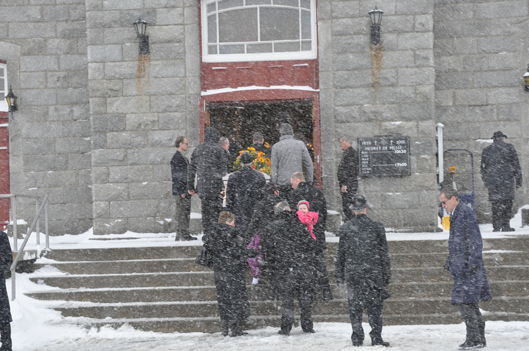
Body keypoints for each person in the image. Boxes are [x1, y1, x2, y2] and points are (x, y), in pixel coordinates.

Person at [335, 195, 391, 347]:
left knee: (355, 307)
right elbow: (383, 253)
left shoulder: (346, 228)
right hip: (373, 272)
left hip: (354, 272)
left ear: (353, 211)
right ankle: (376, 337)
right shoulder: (377, 227)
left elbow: (341, 254)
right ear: (366, 209)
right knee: (375, 307)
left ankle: (357, 337)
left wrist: (339, 274)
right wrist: (386, 274)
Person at [439, 187, 492, 349]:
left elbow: (474, 239)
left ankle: (474, 339)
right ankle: (478, 339)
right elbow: (457, 242)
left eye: (444, 202)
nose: (443, 206)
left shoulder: (464, 213)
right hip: (463, 266)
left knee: (466, 303)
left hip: (467, 269)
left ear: (454, 199)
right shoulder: (458, 214)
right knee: (470, 304)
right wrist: (450, 260)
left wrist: (473, 263)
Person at [261, 201, 317, 335]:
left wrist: (274, 264)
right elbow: (311, 244)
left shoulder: (270, 228)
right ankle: (307, 325)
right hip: (302, 266)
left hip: (283, 268)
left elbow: (267, 251)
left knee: (287, 299)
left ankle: (286, 327)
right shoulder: (299, 225)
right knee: (304, 298)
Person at [203, 211, 250, 337]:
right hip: (234, 271)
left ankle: (225, 327)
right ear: (228, 222)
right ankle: (235, 327)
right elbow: (239, 252)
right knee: (235, 298)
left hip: (220, 271)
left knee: (223, 299)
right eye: (233, 222)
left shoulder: (212, 235)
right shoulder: (233, 235)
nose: (234, 225)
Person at [289, 172, 333, 301]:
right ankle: (326, 292)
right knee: (320, 264)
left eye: (292, 183)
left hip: (301, 236)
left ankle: (309, 293)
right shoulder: (317, 192)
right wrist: (318, 228)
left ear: (297, 180)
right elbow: (323, 213)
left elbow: (293, 216)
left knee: (304, 266)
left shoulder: (294, 194)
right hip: (316, 233)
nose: (292, 186)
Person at [187, 127, 228, 239]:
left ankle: (207, 233)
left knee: (206, 211)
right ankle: (218, 234)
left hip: (203, 187)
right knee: (218, 211)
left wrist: (191, 186)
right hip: (217, 186)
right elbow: (224, 171)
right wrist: (225, 186)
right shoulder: (220, 150)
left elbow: (191, 169)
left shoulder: (198, 150)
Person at [245, 182, 282, 300]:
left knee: (265, 265)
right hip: (280, 238)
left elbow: (254, 222)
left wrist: (246, 237)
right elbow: (288, 219)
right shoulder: (282, 203)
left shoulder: (261, 204)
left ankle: (259, 292)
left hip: (265, 238)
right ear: (276, 192)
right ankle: (278, 292)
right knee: (278, 265)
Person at [480, 131, 522, 232]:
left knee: (496, 204)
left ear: (493, 139)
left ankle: (496, 226)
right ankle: (505, 225)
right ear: (503, 139)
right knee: (507, 203)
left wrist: (486, 180)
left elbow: (482, 167)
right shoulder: (509, 148)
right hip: (507, 180)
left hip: (493, 181)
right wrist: (518, 179)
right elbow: (516, 164)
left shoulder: (487, 150)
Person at [226, 152, 266, 236]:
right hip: (254, 212)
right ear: (252, 162)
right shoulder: (260, 177)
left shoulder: (233, 177)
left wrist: (229, 217)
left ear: (240, 163)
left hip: (239, 211)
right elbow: (263, 197)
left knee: (240, 236)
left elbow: (229, 199)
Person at [271, 123, 313, 195]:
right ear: (292, 133)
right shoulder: (300, 144)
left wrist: (274, 184)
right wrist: (309, 181)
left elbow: (274, 167)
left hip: (282, 183)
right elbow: (309, 164)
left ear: (281, 134)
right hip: (298, 181)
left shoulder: (276, 147)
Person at [170, 136, 196, 241]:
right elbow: (177, 175)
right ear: (180, 144)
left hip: (183, 189)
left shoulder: (181, 157)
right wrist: (182, 190)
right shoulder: (177, 158)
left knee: (184, 212)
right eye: (186, 143)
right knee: (182, 212)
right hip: (181, 190)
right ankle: (182, 234)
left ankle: (183, 233)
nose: (188, 145)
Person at [337, 135, 359, 222]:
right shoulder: (349, 153)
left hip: (349, 184)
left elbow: (350, 170)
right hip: (349, 183)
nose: (340, 145)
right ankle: (350, 224)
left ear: (346, 141)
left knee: (348, 206)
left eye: (341, 142)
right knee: (347, 206)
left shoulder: (350, 154)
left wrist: (345, 184)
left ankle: (350, 225)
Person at [0, 231, 12, 351]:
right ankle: (6, 346)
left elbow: (8, 260)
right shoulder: (2, 236)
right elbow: (8, 260)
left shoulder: (2, 236)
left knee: (3, 315)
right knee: (3, 315)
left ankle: (6, 346)